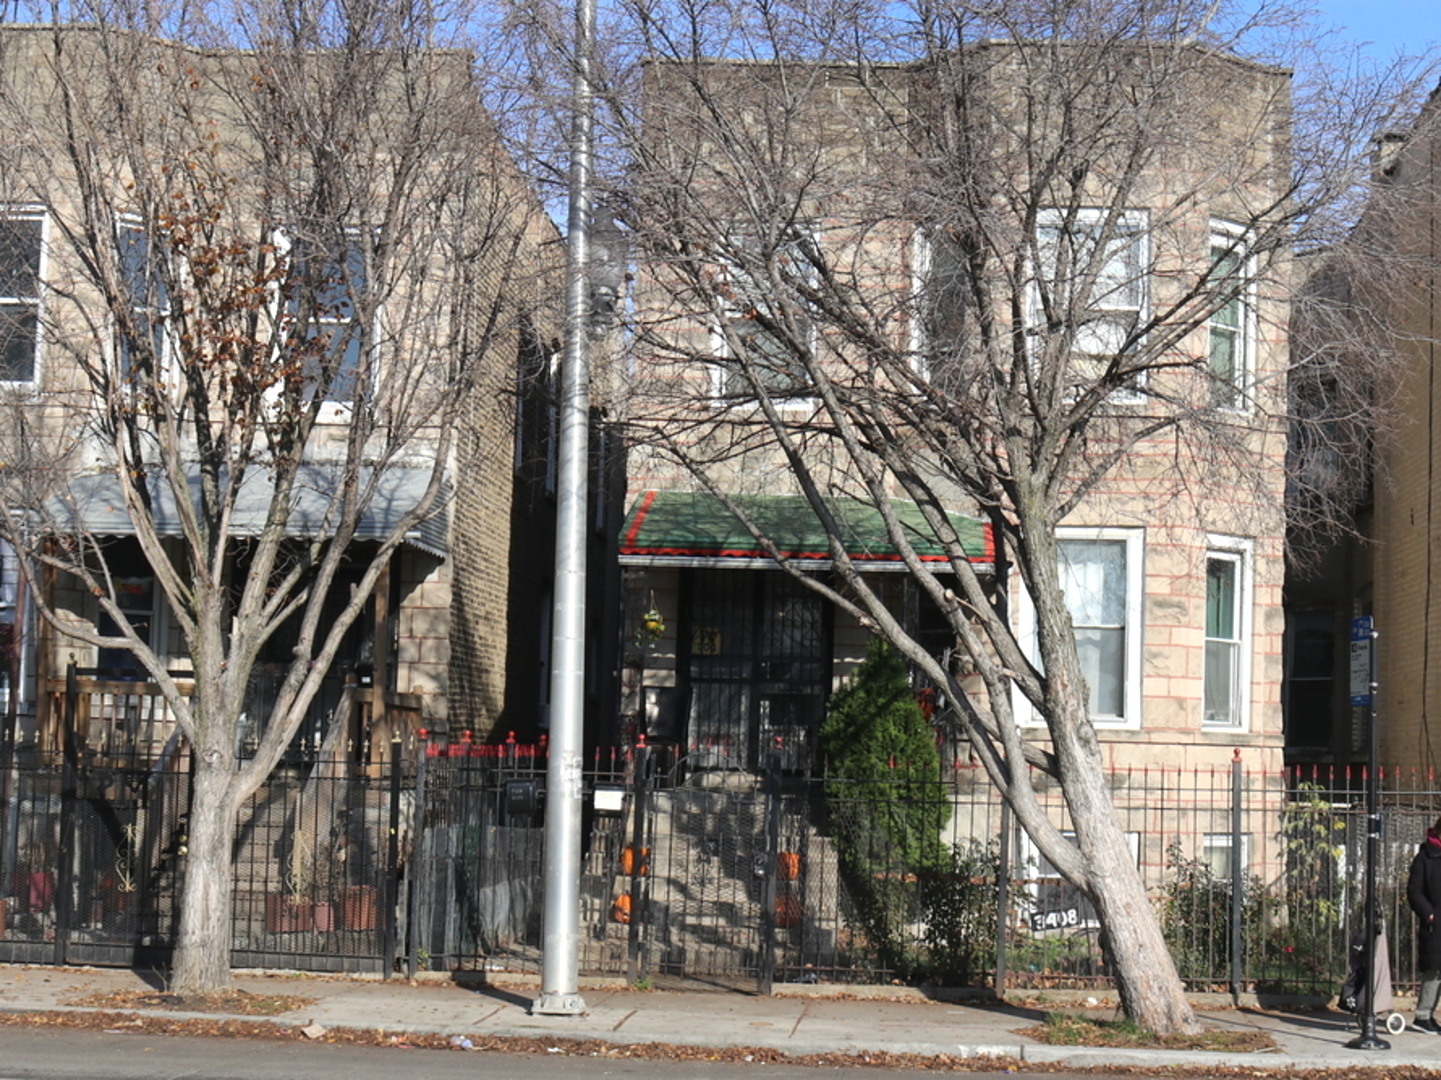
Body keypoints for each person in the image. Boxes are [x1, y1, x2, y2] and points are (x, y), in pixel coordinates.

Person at [1408, 815, 1441, 1032]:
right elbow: (1414, 891)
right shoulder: (1425, 857)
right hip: (1436, 925)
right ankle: (1423, 1015)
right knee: (1435, 970)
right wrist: (1429, 914)